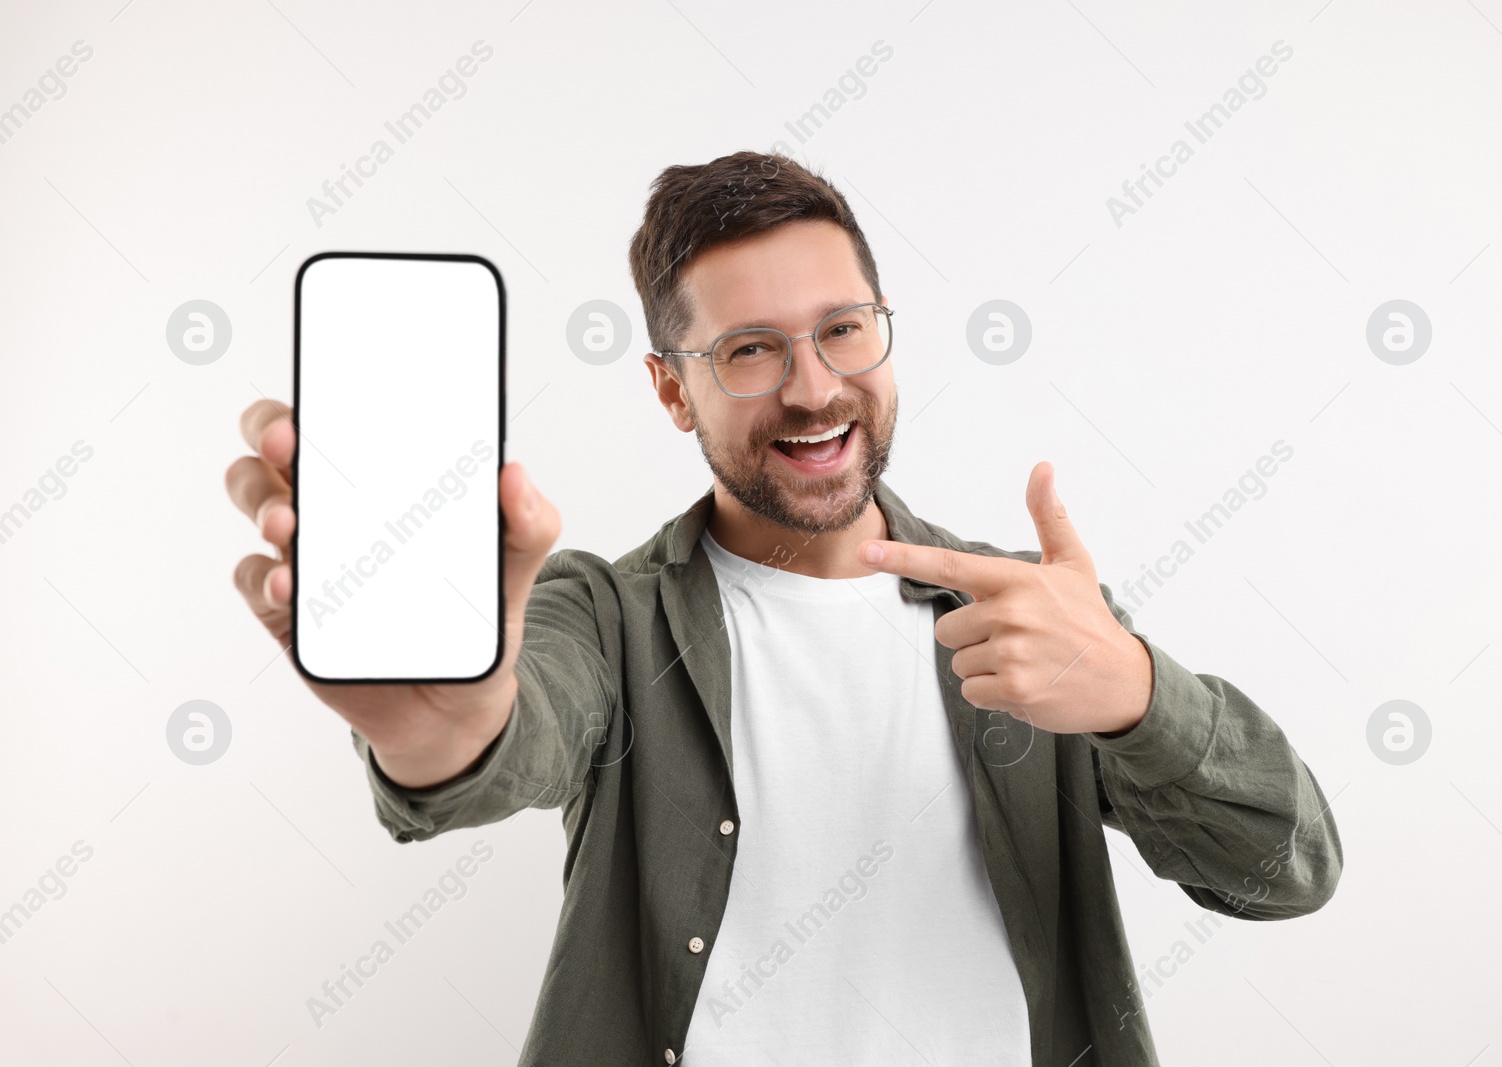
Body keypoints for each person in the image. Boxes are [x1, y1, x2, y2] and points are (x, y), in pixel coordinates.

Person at [227, 150, 1342, 1066]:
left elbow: (1287, 870)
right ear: (673, 388)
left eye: (842, 329)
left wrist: (1138, 697)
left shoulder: (1030, 613)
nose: (813, 385)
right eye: (750, 350)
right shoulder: (609, 617)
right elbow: (521, 724)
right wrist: (449, 730)